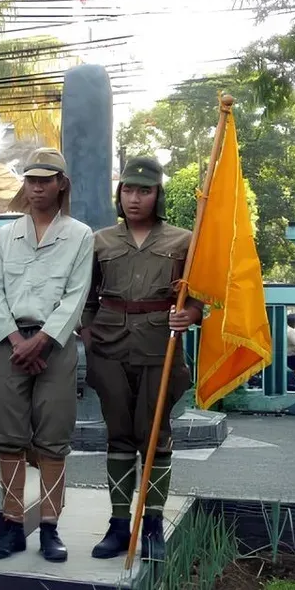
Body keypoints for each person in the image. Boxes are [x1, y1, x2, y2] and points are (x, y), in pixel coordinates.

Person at [80, 156, 203, 563]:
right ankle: (119, 524)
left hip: (159, 347)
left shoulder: (184, 241)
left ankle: (152, 524)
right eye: (128, 190)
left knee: (154, 436)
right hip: (109, 348)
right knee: (117, 436)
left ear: (158, 195)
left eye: (144, 191)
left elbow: (201, 295)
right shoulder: (100, 241)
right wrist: (88, 332)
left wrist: (192, 313)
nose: (134, 198)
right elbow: (85, 296)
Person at [0, 149, 95, 563]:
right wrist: (16, 341)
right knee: (9, 436)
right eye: (31, 179)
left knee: (53, 437)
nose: (37, 187)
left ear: (61, 184)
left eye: (46, 180)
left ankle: (50, 528)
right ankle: (12, 526)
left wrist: (42, 341)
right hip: (11, 345)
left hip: (56, 346)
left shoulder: (80, 235)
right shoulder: (4, 235)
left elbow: (76, 295)